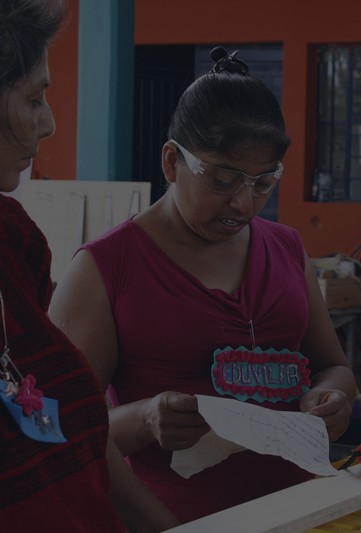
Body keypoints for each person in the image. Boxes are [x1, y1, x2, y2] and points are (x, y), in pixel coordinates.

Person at [48, 46, 358, 523]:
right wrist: (146, 418)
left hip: (300, 511)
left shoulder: (286, 248)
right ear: (172, 162)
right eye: (222, 179)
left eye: (263, 183)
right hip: (172, 518)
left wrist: (334, 397)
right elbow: (57, 427)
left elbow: (332, 366)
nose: (243, 203)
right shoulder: (105, 269)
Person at [0, 0, 180, 531]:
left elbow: (77, 436)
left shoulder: (15, 241)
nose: (50, 124)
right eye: (33, 98)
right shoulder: (108, 262)